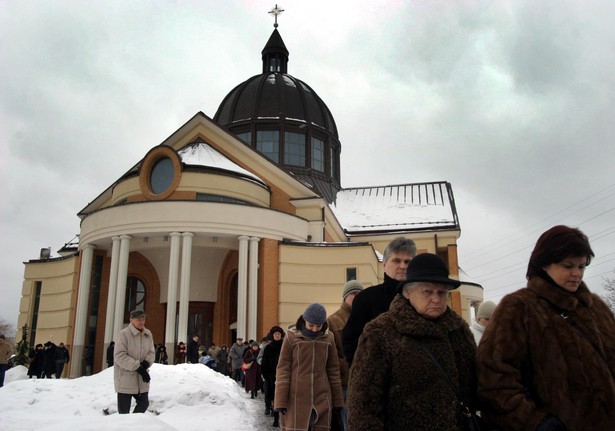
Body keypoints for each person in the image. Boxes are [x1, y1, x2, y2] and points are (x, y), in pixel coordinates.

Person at [476, 225, 615, 430]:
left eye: (582, 266)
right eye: (568, 266)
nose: (576, 273)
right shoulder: (519, 308)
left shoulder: (597, 308)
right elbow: (494, 381)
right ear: (543, 265)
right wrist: (536, 422)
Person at [347, 253, 477, 430]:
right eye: (427, 291)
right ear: (407, 292)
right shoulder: (380, 333)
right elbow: (363, 407)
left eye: (442, 292)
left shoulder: (459, 331)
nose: (436, 299)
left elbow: (475, 389)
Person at [342, 236, 417, 365]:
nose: (402, 266)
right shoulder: (366, 298)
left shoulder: (421, 298)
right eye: (397, 261)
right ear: (384, 264)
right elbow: (350, 342)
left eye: (407, 262)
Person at [274, 303, 344, 431]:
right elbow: (283, 369)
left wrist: (338, 402)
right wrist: (280, 400)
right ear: (304, 320)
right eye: (311, 325)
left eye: (319, 325)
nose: (315, 329)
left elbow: (333, 371)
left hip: (322, 398)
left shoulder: (329, 338)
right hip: (295, 399)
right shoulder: (291, 337)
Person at [327, 279, 364, 431]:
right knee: (348, 421)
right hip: (345, 382)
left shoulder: (367, 316)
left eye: (360, 294)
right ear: (345, 297)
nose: (356, 297)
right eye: (353, 294)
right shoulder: (332, 321)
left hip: (366, 380)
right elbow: (331, 355)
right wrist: (349, 366)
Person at [113, 309, 156, 414]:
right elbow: (119, 356)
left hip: (142, 379)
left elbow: (151, 352)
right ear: (131, 320)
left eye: (143, 319)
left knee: (144, 403)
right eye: (138, 319)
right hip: (125, 379)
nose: (142, 322)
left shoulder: (148, 334)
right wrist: (137, 367)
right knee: (123, 412)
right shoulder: (124, 334)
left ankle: (134, 425)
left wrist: (146, 363)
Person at [261, 326, 285, 427]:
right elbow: (264, 363)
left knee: (283, 397)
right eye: (275, 334)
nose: (277, 336)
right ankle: (276, 418)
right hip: (271, 377)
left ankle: (283, 419)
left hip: (284, 376)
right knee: (274, 398)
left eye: (279, 334)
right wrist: (266, 376)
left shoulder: (285, 346)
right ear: (272, 335)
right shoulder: (268, 348)